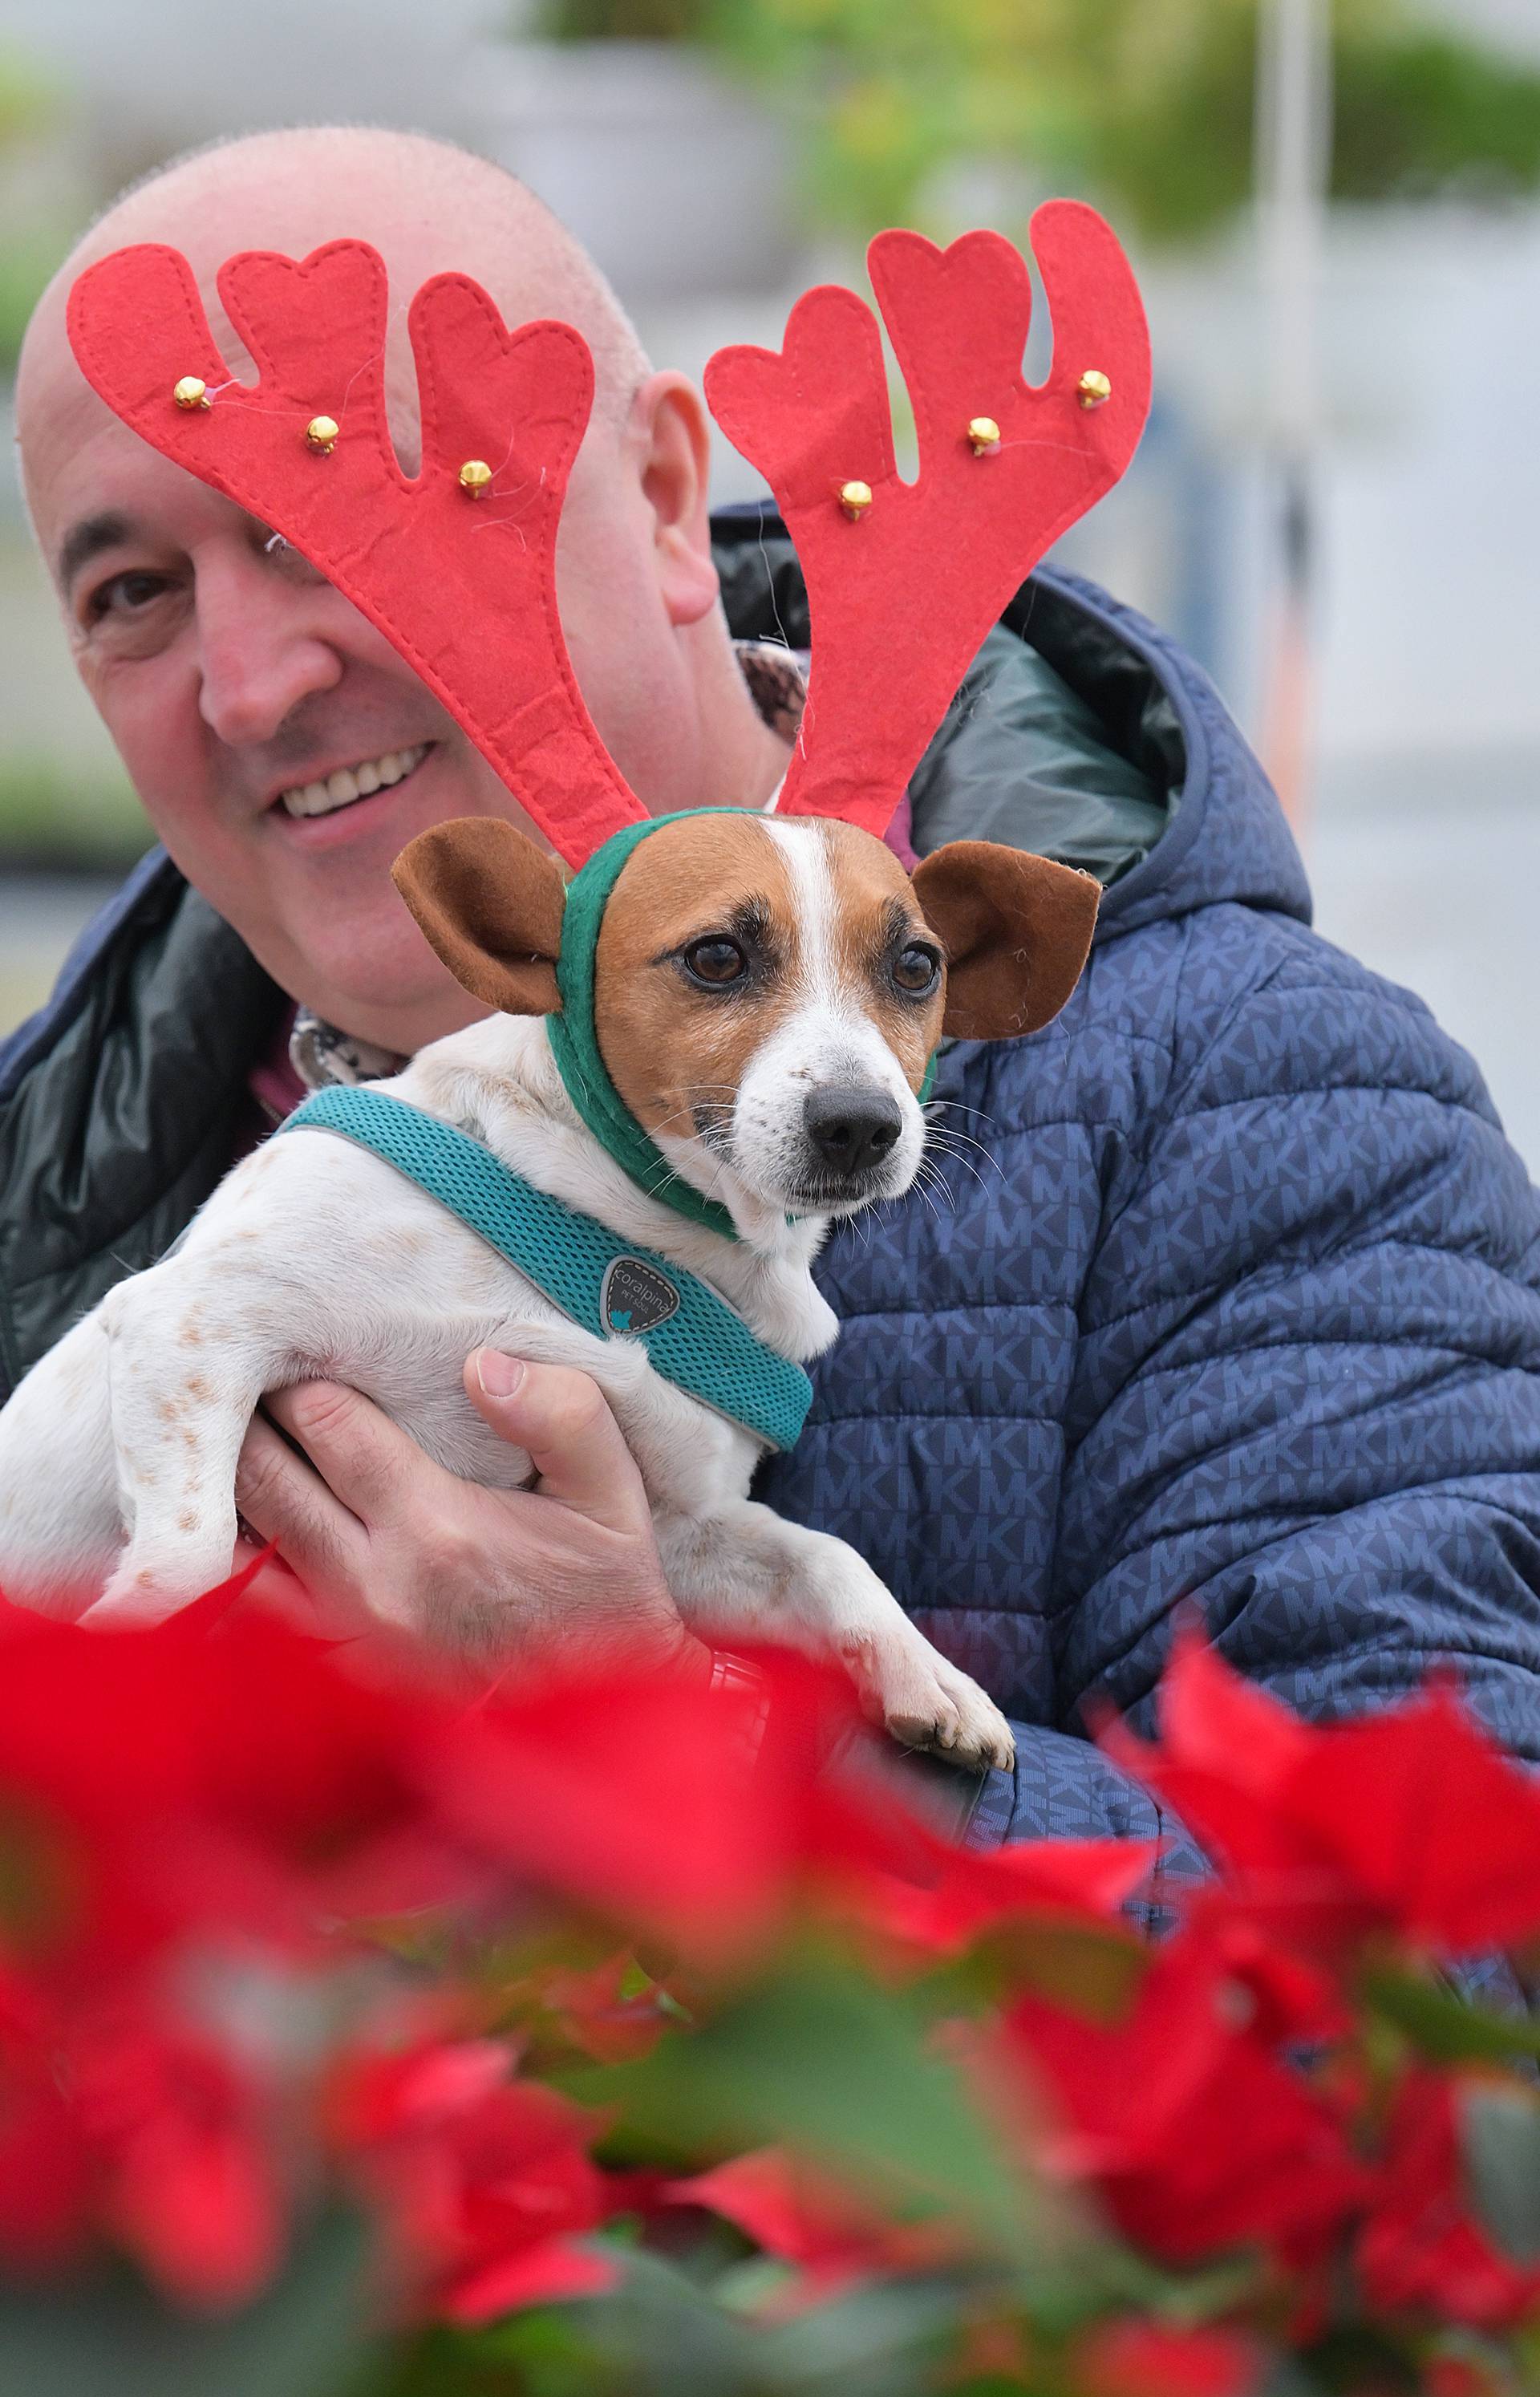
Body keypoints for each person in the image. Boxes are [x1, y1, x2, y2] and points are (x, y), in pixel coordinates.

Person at [6, 124, 1540, 1851]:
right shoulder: (44, 1165)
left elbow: (1456, 1961)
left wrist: (706, 1741)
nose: (252, 686)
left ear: (666, 497)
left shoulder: (1269, 1118)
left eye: (344, 515)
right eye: (134, 589)